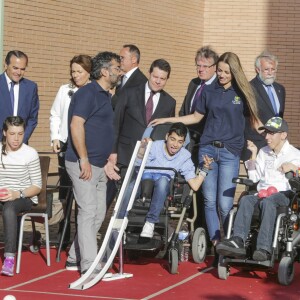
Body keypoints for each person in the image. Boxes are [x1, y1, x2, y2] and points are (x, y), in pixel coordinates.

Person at [150, 52, 260, 265]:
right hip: (208, 150)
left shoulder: (243, 92)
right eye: (219, 71)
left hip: (230, 152)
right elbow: (196, 117)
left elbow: (255, 121)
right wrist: (167, 120)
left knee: (225, 203)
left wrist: (270, 134)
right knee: (208, 201)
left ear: (234, 72)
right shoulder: (209, 91)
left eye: (227, 72)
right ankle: (217, 243)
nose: (222, 75)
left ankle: (228, 243)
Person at [64, 51, 121, 274]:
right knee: (87, 212)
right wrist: (84, 159)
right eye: (116, 68)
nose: (119, 72)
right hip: (83, 163)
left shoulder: (105, 95)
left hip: (99, 164)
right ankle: (89, 265)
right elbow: (76, 125)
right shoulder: (88, 93)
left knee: (97, 213)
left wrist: (106, 159)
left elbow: (101, 130)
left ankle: (73, 257)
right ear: (105, 71)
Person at [216, 117, 300, 261]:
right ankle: (238, 241)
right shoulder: (264, 152)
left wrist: (294, 168)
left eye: (271, 133)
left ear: (283, 135)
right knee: (246, 199)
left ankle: (264, 248)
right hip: (262, 193)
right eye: (266, 133)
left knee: (269, 202)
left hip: (283, 194)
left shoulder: (294, 154)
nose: (267, 137)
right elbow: (255, 178)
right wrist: (253, 155)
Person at [138, 123, 212, 238]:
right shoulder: (154, 146)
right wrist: (142, 148)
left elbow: (195, 185)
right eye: (173, 139)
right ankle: (119, 220)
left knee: (163, 180)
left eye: (180, 141)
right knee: (134, 181)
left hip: (163, 186)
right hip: (145, 181)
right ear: (167, 136)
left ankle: (150, 223)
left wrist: (205, 169)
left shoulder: (184, 156)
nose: (175, 145)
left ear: (183, 143)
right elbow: (137, 164)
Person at [49, 54, 92, 244]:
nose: (75, 75)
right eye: (73, 71)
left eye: (79, 71)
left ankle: (80, 234)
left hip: (86, 146)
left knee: (83, 192)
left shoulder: (94, 91)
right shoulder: (65, 90)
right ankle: (63, 232)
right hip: (66, 144)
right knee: (66, 190)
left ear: (88, 72)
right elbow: (55, 115)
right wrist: (55, 137)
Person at [111, 58, 176, 169]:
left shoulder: (169, 102)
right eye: (155, 77)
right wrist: (113, 152)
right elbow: (116, 123)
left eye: (162, 79)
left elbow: (167, 134)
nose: (158, 81)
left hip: (151, 161)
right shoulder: (128, 93)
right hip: (125, 156)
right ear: (149, 73)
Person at [0, 116, 42, 276]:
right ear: (5, 133)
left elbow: (37, 186)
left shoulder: (30, 153)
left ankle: (9, 258)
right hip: (3, 195)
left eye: (20, 133)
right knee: (7, 205)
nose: (16, 138)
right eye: (12, 133)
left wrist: (17, 193)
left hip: (24, 198)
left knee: (10, 208)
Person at [242, 51, 286, 161]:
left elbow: (279, 117)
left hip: (276, 144)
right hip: (256, 144)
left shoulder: (280, 89)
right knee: (255, 178)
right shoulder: (249, 88)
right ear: (258, 70)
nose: (270, 72)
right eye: (266, 69)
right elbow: (250, 117)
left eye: (273, 69)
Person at [179, 46, 218, 141]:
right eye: (198, 65)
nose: (200, 69)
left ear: (215, 67)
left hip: (206, 139)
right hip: (186, 135)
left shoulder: (218, 87)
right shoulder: (193, 83)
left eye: (205, 66)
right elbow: (184, 110)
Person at [0, 50, 40, 143]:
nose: (19, 72)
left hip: (20, 146)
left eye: (22, 69)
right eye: (15, 68)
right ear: (6, 65)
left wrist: (21, 140)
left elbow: (32, 118)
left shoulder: (31, 87)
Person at [111, 44, 147, 110]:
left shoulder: (141, 82)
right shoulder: (121, 77)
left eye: (122, 58)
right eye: (120, 58)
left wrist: (113, 97)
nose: (120, 61)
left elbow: (131, 108)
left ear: (134, 60)